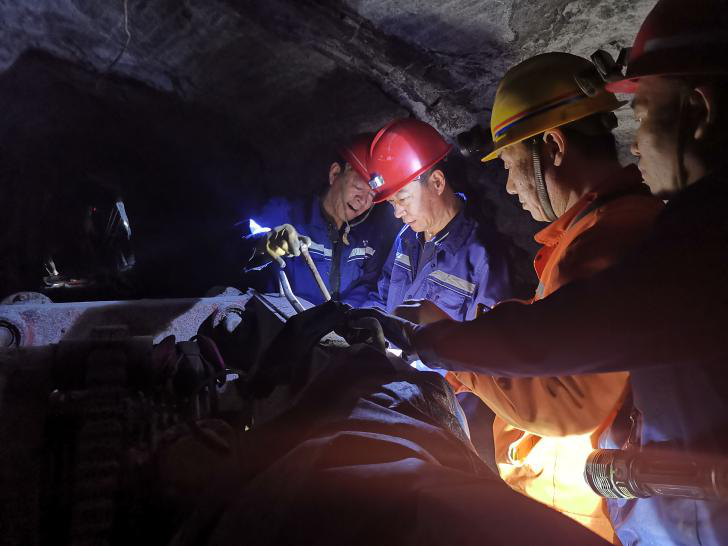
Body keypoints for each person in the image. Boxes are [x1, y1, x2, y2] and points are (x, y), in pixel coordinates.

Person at [364, 1, 728, 544]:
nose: (634, 142)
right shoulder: (617, 232)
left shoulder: (653, 239)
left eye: (646, 114)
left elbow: (567, 375)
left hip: (601, 514)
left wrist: (444, 344)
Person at [432, 52, 663, 543]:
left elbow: (567, 401)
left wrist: (452, 350)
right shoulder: (594, 230)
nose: (509, 186)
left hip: (576, 514)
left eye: (510, 165)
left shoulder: (605, 241)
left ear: (553, 146)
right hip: (570, 503)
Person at [364, 118, 510, 321]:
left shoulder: (482, 258)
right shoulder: (406, 239)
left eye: (403, 199)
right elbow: (382, 298)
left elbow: (487, 336)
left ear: (437, 183)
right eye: (391, 202)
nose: (397, 213)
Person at [244, 133, 399, 307]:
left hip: (340, 323)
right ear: (335, 174)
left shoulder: (369, 240)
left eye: (372, 195)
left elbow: (371, 286)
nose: (362, 200)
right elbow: (236, 244)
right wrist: (262, 245)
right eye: (358, 187)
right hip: (283, 320)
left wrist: (346, 313)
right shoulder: (286, 214)